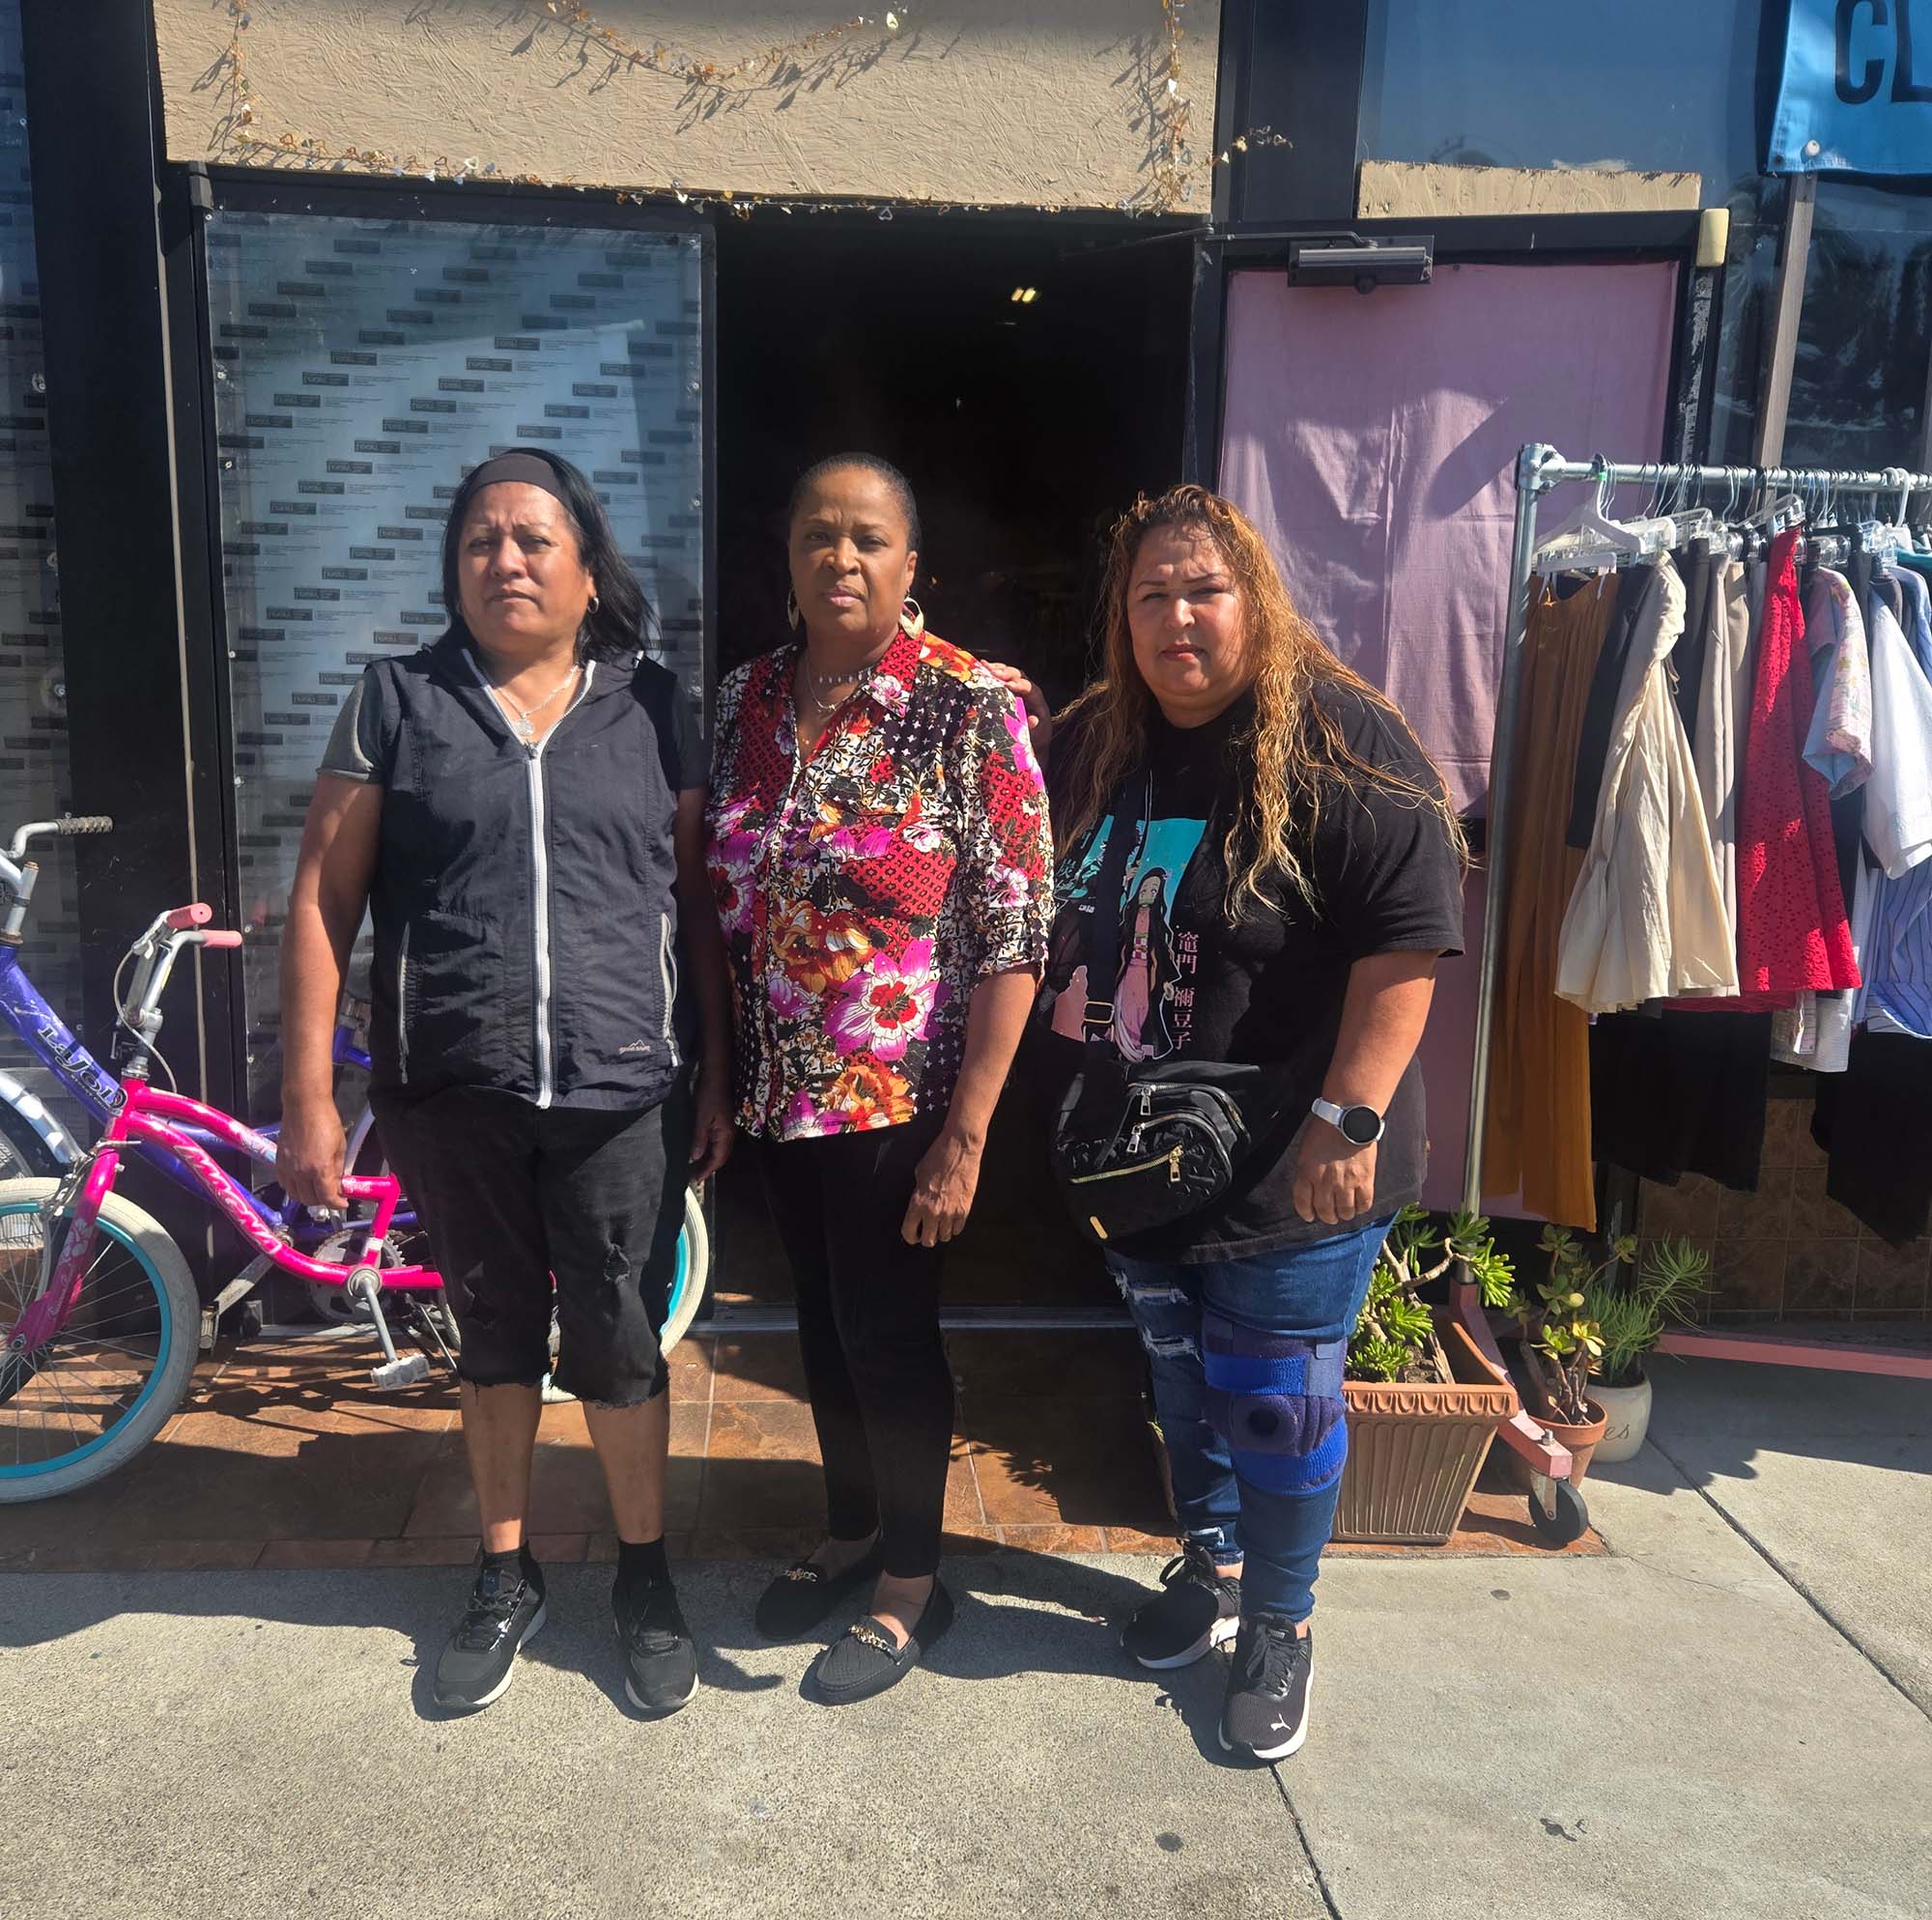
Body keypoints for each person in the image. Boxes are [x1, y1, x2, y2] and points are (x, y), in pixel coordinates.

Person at [998, 484, 1465, 1763]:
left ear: (1254, 599)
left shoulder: (1345, 747)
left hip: (1290, 1167)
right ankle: (1205, 1572)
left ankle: (1282, 1621)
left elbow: (1409, 949)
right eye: (1150, 595)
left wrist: (1347, 1125)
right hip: (1141, 1161)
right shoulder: (1100, 740)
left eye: (1203, 590)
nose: (1176, 618)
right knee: (1182, 1390)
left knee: (1272, 1402)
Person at [279, 448, 732, 1716]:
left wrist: (718, 1066)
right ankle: (505, 1572)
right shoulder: (397, 702)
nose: (507, 560)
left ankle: (644, 1577)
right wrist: (309, 1096)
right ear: (454, 571)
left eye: (535, 540)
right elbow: (324, 898)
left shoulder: (650, 709)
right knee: (490, 1332)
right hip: (451, 1089)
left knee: (617, 1333)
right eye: (481, 541)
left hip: (617, 1090)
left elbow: (696, 903)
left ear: (589, 574)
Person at [705, 453, 1052, 1704]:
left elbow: (1018, 930)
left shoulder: (967, 707)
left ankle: (912, 1582)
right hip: (777, 1098)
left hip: (903, 1110)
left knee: (891, 1339)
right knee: (819, 1331)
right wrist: (714, 1077)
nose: (839, 560)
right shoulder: (746, 697)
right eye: (817, 537)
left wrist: (967, 1137)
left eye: (867, 541)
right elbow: (716, 898)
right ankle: (851, 1531)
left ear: (911, 571)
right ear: (788, 558)